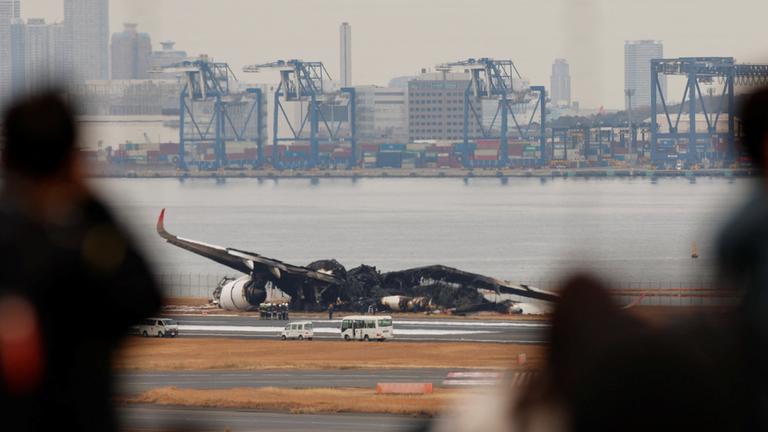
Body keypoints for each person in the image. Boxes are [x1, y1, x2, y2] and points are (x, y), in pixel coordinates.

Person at [0, 91, 162, 431]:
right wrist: (90, 201)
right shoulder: (86, 247)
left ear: (7, 158)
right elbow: (147, 295)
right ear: (74, 158)